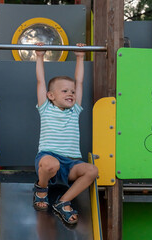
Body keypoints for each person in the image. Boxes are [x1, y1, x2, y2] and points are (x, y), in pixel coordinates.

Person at [33, 42, 98, 225]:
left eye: (72, 92)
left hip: (71, 163)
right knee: (49, 164)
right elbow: (40, 81)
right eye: (64, 91)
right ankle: (41, 189)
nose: (70, 93)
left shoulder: (74, 110)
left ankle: (63, 202)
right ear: (51, 96)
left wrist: (79, 57)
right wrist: (39, 56)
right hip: (49, 158)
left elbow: (80, 81)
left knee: (92, 170)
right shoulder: (45, 108)